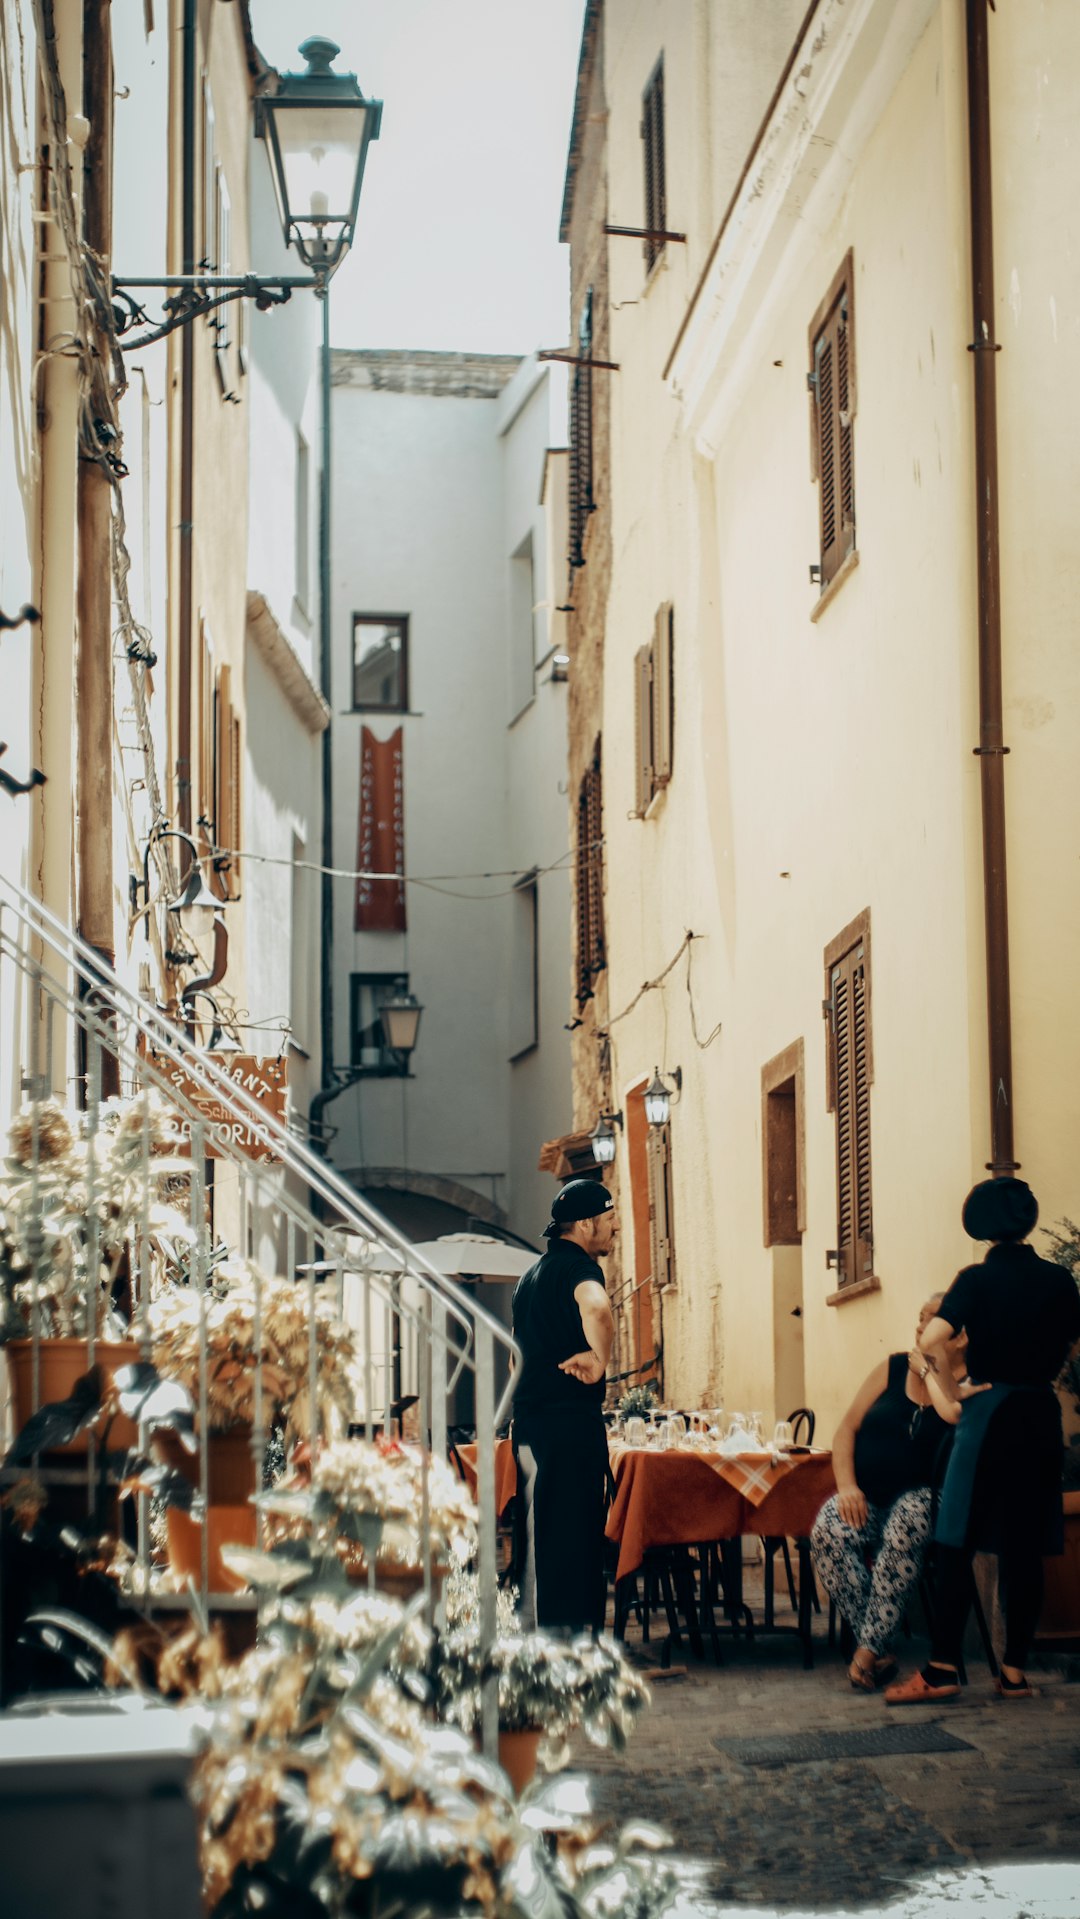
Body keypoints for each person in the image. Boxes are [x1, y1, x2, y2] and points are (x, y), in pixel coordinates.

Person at [885, 1176, 1080, 1704]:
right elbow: (1073, 1344)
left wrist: (954, 1384)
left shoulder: (975, 1279)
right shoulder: (1061, 1280)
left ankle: (941, 1670)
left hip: (988, 1413)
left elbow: (931, 1339)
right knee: (1026, 1548)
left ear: (982, 1228)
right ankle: (1014, 1674)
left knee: (955, 1541)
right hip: (1040, 1414)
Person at [811, 1294, 969, 1690]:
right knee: (828, 1531)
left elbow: (953, 1412)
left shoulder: (968, 1383)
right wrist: (848, 1486)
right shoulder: (893, 1367)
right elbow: (846, 1428)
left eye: (930, 1319)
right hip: (870, 1498)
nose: (919, 1327)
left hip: (929, 1501)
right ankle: (877, 1649)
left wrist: (931, 1371)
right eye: (918, 1318)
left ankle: (866, 1652)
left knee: (907, 1520)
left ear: (959, 1336)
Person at [510, 1177, 616, 1632]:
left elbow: (520, 1351)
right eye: (610, 1220)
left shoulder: (529, 1278)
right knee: (575, 1538)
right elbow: (597, 1308)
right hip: (571, 1427)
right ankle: (573, 1650)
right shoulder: (580, 1268)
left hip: (530, 1424)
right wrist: (600, 1360)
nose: (615, 1230)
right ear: (587, 1225)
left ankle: (540, 1636)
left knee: (539, 1537)